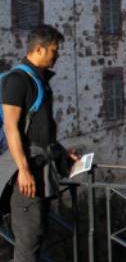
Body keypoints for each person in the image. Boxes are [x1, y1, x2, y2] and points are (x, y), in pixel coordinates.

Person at [0, 25, 79, 262]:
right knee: (28, 243)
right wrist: (23, 170)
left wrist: (64, 155)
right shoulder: (18, 81)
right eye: (54, 51)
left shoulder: (40, 82)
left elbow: (42, 134)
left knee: (36, 235)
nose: (58, 55)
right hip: (25, 176)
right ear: (38, 49)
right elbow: (11, 128)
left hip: (39, 170)